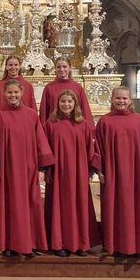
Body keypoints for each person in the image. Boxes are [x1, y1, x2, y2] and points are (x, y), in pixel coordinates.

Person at [0, 79, 55, 257]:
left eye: (16, 92)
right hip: (8, 168)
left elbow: (40, 141)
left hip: (29, 167)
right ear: (3, 94)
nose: (13, 96)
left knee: (30, 204)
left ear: (22, 93)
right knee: (9, 204)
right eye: (9, 93)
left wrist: (41, 169)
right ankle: (9, 244)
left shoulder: (32, 115)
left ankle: (30, 243)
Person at [93, 86, 140, 258]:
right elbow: (98, 148)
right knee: (112, 207)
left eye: (124, 98)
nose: (121, 101)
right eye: (118, 98)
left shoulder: (139, 120)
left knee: (132, 208)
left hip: (133, 173)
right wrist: (100, 170)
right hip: (111, 173)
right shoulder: (105, 122)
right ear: (112, 100)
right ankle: (113, 245)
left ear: (130, 101)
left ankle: (135, 245)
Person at [44, 90, 100, 256]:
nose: (66, 104)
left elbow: (90, 148)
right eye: (63, 102)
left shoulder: (82, 124)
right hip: (58, 172)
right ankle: (59, 243)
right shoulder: (50, 123)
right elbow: (45, 148)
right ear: (57, 104)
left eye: (70, 102)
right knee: (58, 206)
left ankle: (81, 244)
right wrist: (46, 169)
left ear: (75, 104)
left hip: (78, 172)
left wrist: (91, 169)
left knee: (79, 205)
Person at [39, 58, 92, 126]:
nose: (61, 69)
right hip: (54, 127)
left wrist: (90, 130)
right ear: (55, 69)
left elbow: (85, 109)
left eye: (64, 66)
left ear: (69, 68)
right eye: (58, 67)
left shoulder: (77, 87)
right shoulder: (49, 88)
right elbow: (44, 112)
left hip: (75, 126)